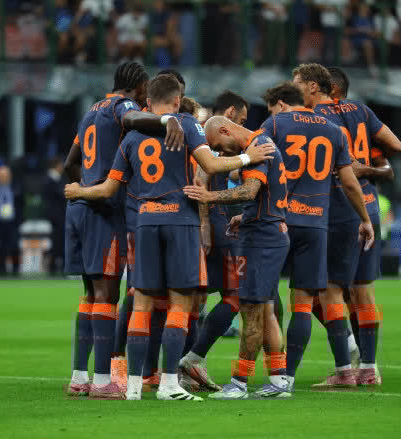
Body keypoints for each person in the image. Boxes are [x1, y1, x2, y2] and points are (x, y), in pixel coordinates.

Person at [64, 74, 276, 401]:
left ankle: (133, 385)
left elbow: (108, 188)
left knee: (141, 303)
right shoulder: (187, 124)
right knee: (180, 303)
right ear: (178, 100)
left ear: (148, 102)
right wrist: (249, 158)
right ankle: (168, 384)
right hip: (180, 222)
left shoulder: (131, 136)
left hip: (144, 223)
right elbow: (210, 164)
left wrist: (78, 190)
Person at [63, 62, 185, 399]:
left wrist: (84, 188)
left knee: (90, 295)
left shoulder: (91, 111)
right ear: (138, 85)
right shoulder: (122, 105)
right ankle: (103, 382)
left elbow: (69, 162)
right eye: (146, 88)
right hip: (104, 211)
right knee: (107, 295)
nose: (146, 96)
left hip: (80, 208)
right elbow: (132, 118)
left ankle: (79, 377)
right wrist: (167, 120)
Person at [260, 81, 374, 390]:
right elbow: (349, 182)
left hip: (278, 222)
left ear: (281, 104)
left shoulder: (275, 124)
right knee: (303, 306)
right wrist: (365, 219)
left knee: (261, 302)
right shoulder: (333, 131)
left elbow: (255, 165)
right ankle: (287, 379)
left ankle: (249, 376)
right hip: (315, 225)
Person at [294, 64, 401, 386]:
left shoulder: (315, 118)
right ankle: (368, 368)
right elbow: (396, 145)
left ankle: (344, 369)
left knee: (330, 290)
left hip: (338, 206)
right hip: (369, 204)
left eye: (298, 84)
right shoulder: (362, 111)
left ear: (320, 87)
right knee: (364, 291)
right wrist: (367, 163)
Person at [183, 116, 292, 399]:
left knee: (251, 310)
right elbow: (268, 194)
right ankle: (278, 381)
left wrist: (209, 197)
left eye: (219, 145)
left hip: (262, 241)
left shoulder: (258, 149)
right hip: (266, 231)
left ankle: (240, 383)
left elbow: (249, 190)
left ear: (225, 129)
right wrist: (247, 216)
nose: (223, 153)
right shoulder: (263, 144)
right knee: (264, 309)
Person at [179, 90, 250, 393]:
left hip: (187, 223)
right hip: (216, 225)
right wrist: (207, 224)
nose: (241, 127)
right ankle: (193, 359)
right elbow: (201, 176)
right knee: (235, 296)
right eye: (241, 120)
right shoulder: (205, 135)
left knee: (193, 299)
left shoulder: (186, 133)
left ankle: (175, 371)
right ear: (229, 115)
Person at [0, 165, 24, 276]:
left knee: (14, 246)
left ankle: (16, 271)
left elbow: (21, 205)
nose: (3, 178)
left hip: (13, 223)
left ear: (10, 176)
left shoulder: (17, 188)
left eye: (5, 175)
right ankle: (2, 271)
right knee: (0, 248)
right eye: (1, 176)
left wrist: (20, 220)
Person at [42, 158, 66, 274]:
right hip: (57, 217)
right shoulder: (50, 180)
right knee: (57, 242)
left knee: (58, 242)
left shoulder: (55, 179)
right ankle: (53, 266)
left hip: (57, 217)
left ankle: (55, 266)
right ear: (57, 165)